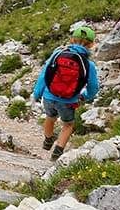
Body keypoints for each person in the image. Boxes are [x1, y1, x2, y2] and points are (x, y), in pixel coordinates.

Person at [32, 23, 100, 161]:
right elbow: (93, 87)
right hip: (69, 100)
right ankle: (57, 152)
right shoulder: (89, 65)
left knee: (50, 117)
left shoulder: (57, 54)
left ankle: (48, 140)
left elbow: (45, 74)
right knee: (68, 124)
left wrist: (37, 92)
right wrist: (84, 96)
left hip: (49, 95)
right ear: (91, 45)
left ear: (71, 40)